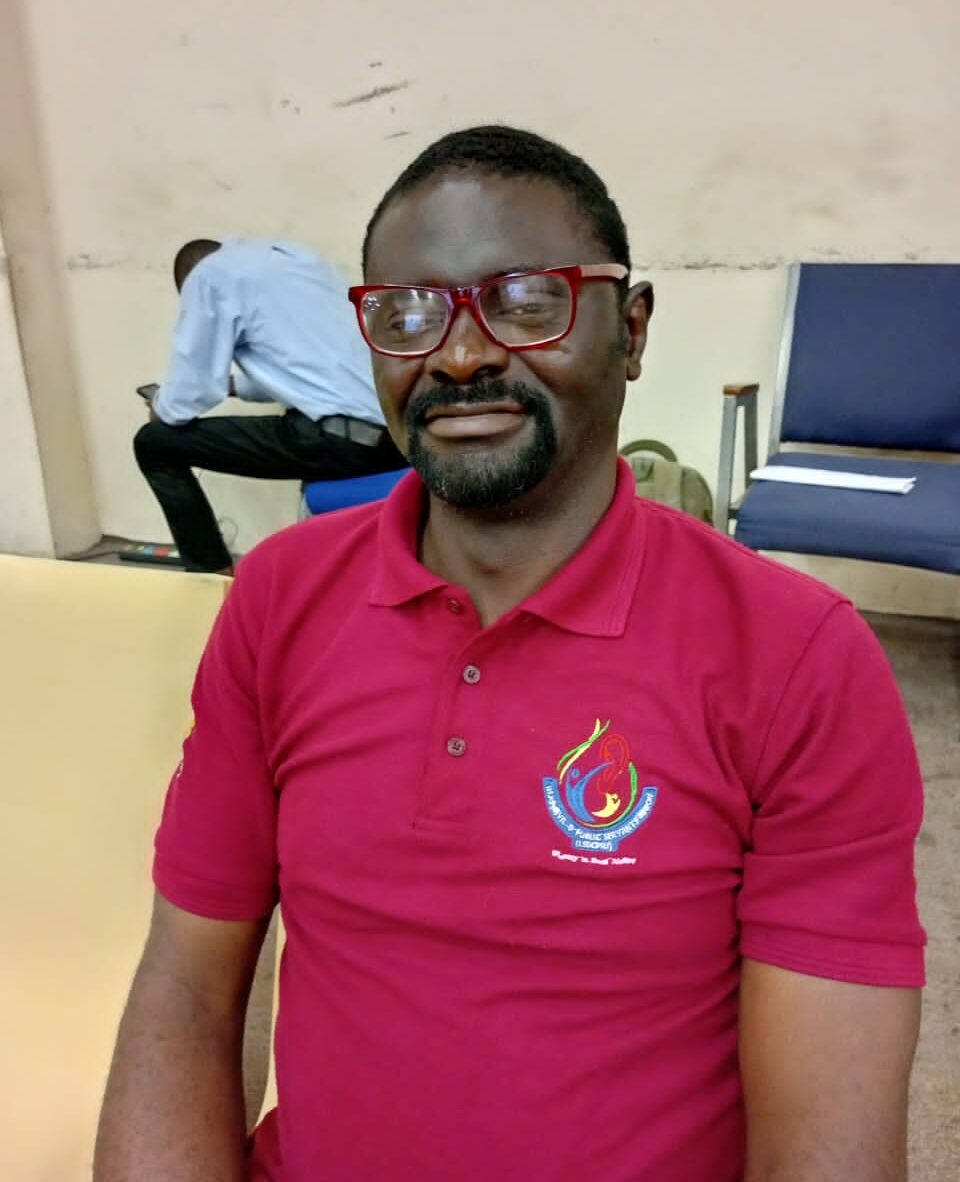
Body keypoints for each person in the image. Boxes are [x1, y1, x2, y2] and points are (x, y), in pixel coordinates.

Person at [96, 127, 925, 1181]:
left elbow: (828, 1151)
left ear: (630, 332)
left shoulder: (798, 658)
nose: (459, 353)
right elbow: (185, 985)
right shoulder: (279, 599)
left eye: (527, 300)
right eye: (409, 312)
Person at [133, 238, 407, 574]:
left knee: (154, 443)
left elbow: (190, 392)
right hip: (393, 436)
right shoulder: (298, 262)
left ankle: (210, 574)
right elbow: (312, 374)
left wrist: (160, 406)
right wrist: (234, 386)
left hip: (344, 443)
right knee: (302, 423)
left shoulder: (208, 277)